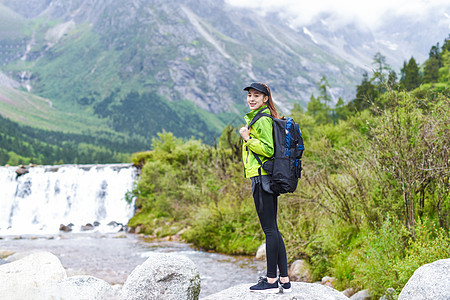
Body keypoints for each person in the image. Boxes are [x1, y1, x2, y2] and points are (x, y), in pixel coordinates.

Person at [239, 82, 291, 294]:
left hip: (261, 178)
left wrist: (247, 138)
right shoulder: (262, 117)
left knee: (269, 230)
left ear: (265, 99)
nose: (251, 99)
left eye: (256, 96)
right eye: (250, 95)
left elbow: (268, 149)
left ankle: (271, 281)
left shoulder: (261, 120)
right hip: (265, 178)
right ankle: (285, 280)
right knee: (274, 229)